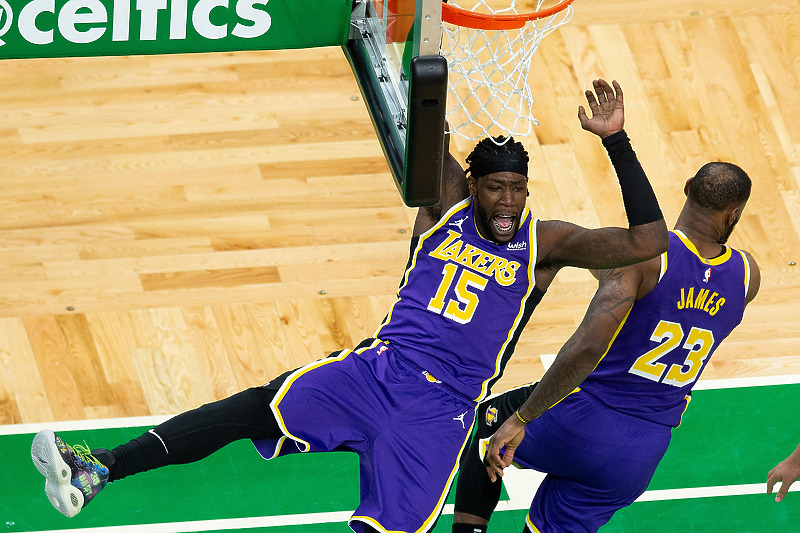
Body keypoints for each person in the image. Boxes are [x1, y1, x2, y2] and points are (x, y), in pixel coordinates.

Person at [31, 79, 668, 533]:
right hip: (377, 371)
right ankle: (100, 470)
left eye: (519, 189)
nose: (509, 201)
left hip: (443, 411)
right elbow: (421, 117)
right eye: (497, 187)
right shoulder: (444, 203)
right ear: (471, 184)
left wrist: (615, 140)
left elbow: (648, 241)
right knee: (251, 410)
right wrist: (422, 57)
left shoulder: (546, 240)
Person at [452, 160, 759, 533]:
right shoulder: (748, 276)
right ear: (736, 212)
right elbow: (690, 290)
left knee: (485, 429)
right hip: (639, 454)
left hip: (581, 421)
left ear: (688, 186)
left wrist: (522, 418)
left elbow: (587, 347)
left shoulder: (645, 258)